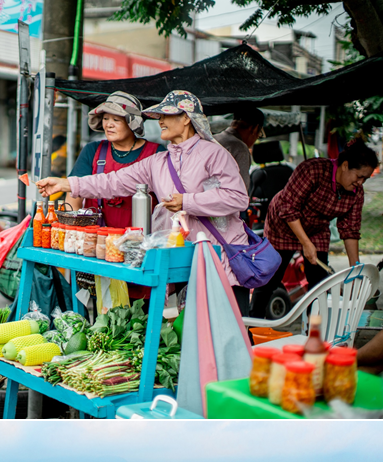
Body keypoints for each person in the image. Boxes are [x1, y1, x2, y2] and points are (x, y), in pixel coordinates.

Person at [38, 90, 252, 312]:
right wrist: (66, 185)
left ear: (186, 118)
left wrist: (187, 202)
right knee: (193, 336)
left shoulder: (214, 154)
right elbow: (113, 181)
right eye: (159, 116)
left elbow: (237, 198)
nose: (160, 121)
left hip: (221, 260)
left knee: (230, 335)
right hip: (184, 262)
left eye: (166, 115)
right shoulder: (158, 162)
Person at [251, 137, 379, 318]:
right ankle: (252, 324)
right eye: (359, 177)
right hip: (283, 225)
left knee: (319, 284)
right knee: (269, 279)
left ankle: (313, 330)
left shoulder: (356, 192)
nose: (361, 183)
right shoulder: (312, 170)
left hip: (317, 229)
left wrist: (355, 268)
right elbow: (288, 208)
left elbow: (350, 229)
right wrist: (305, 243)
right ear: (345, 166)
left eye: (365, 179)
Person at [65, 92, 163, 225]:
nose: (109, 125)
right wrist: (74, 229)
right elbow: (73, 197)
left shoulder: (156, 153)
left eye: (116, 120)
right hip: (96, 239)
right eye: (106, 118)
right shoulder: (93, 150)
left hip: (142, 241)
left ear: (132, 123)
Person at [214, 104, 265, 192]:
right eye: (259, 134)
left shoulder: (212, 139)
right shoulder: (240, 149)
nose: (256, 138)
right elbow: (241, 192)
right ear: (254, 128)